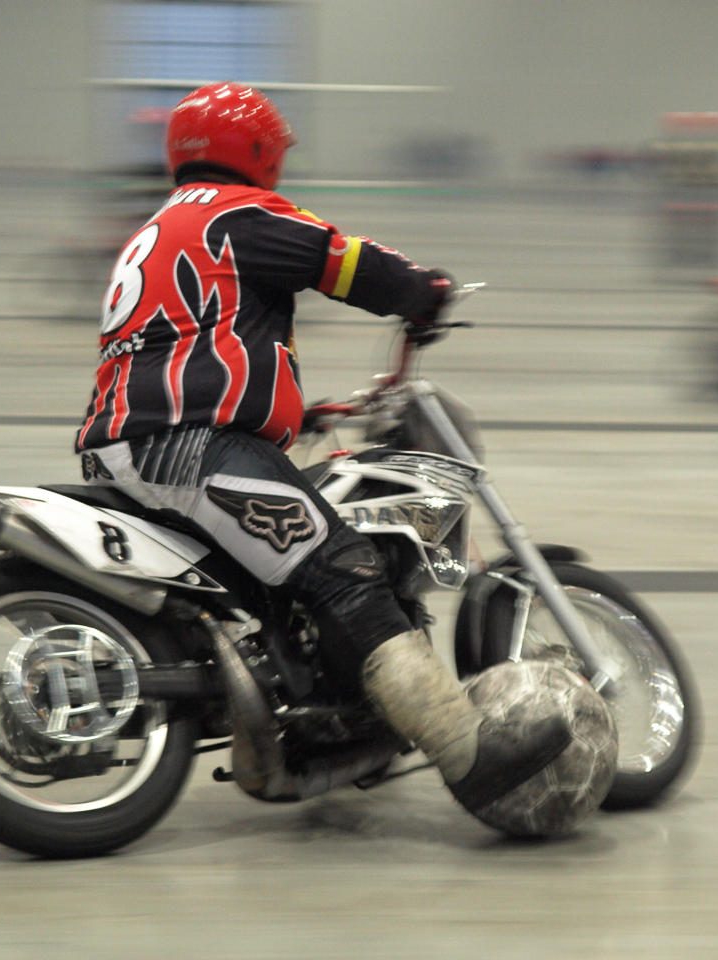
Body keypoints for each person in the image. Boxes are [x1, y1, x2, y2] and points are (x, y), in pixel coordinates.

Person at [74, 82, 569, 813]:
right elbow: (344, 260)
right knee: (345, 573)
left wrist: (295, 411)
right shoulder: (238, 212)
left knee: (286, 583)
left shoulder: (158, 228)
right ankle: (473, 755)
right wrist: (423, 291)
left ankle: (301, 722)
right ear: (255, 150)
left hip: (133, 448)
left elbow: (190, 344)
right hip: (188, 448)